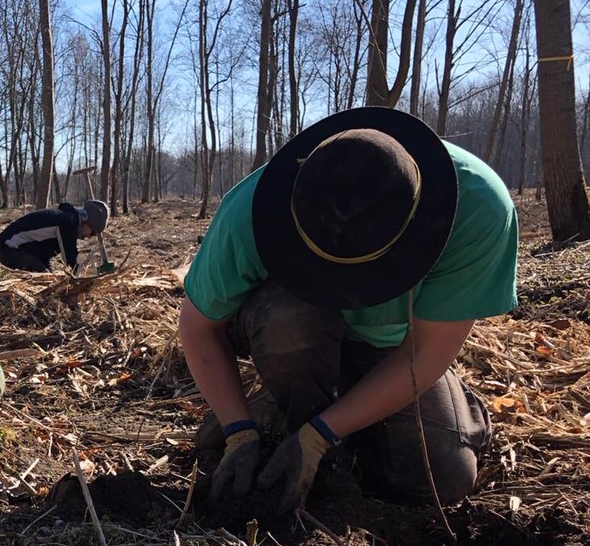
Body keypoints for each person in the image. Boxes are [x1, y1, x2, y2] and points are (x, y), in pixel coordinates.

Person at [179, 107, 518, 516]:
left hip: (391, 352)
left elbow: (425, 352)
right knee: (289, 318)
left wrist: (320, 436)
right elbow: (199, 329)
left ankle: (301, 416)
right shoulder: (248, 213)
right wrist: (238, 432)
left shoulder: (476, 210)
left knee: (445, 476)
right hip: (292, 334)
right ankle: (282, 411)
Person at [0, 199, 109, 273]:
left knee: (48, 278)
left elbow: (43, 254)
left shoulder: (66, 220)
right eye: (93, 233)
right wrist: (94, 272)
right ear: (87, 223)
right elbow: (71, 261)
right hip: (8, 249)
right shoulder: (68, 222)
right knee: (44, 279)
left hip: (13, 249)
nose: (89, 237)